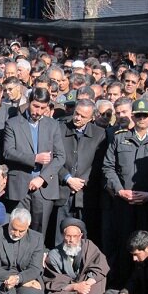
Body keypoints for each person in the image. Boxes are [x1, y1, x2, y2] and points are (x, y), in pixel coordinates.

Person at [102, 98, 148, 285]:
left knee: (147, 247)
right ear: (132, 116)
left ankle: (145, 289)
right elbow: (108, 167)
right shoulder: (119, 138)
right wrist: (119, 190)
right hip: (124, 203)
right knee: (124, 245)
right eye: (137, 115)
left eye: (145, 115)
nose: (141, 118)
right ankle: (121, 286)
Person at [3, 87, 65, 245]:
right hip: (20, 186)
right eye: (35, 106)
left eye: (43, 108)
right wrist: (34, 158)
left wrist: (42, 178)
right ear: (29, 102)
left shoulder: (52, 125)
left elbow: (60, 157)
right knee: (17, 228)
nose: (38, 111)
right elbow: (8, 152)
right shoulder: (13, 123)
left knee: (39, 232)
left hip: (43, 189)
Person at [57, 99, 107, 246]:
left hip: (86, 194)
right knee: (61, 235)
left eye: (83, 116)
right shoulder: (60, 129)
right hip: (63, 191)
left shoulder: (100, 134)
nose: (78, 118)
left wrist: (81, 181)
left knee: (84, 237)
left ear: (92, 118)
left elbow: (99, 164)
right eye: (76, 114)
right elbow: (54, 158)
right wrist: (67, 178)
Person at [44, 217, 109, 294]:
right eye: (68, 236)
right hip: (69, 287)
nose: (71, 240)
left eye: (75, 236)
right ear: (62, 236)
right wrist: (75, 287)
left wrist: (85, 286)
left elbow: (100, 266)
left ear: (80, 236)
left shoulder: (88, 245)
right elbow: (54, 280)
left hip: (87, 284)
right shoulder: (54, 255)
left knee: (100, 279)